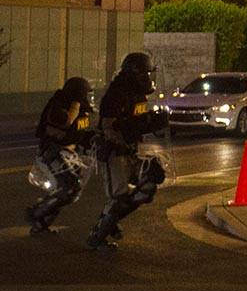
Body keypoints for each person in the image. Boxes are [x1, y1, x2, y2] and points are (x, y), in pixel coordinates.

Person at [85, 53, 171, 249]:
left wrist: (153, 120)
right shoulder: (116, 93)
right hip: (114, 151)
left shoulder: (138, 94)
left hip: (131, 150)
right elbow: (109, 127)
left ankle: (111, 222)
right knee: (119, 197)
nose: (148, 78)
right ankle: (97, 236)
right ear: (135, 73)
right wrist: (132, 130)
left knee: (149, 184)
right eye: (145, 74)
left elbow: (137, 122)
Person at [26, 77, 95, 234]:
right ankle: (36, 212)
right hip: (52, 153)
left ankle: (41, 225)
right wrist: (75, 106)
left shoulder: (81, 110)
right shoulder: (59, 106)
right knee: (69, 187)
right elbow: (64, 123)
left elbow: (78, 133)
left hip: (69, 154)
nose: (88, 99)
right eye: (85, 95)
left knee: (67, 192)